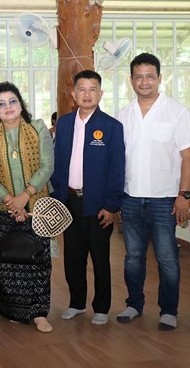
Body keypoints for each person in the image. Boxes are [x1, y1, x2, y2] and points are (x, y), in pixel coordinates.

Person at [116, 53, 190, 331]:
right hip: (130, 198)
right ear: (131, 80)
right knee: (133, 257)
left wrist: (184, 195)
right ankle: (134, 304)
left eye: (150, 76)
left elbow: (188, 157)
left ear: (160, 78)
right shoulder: (123, 115)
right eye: (139, 77)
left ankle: (169, 310)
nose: (144, 82)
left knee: (167, 258)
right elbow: (117, 160)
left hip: (165, 199)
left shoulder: (177, 112)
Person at [51, 70, 125, 325]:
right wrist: (57, 198)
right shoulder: (64, 124)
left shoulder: (112, 127)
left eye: (92, 89)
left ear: (100, 94)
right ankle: (76, 303)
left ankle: (102, 307)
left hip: (98, 204)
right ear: (74, 94)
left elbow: (117, 169)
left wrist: (111, 205)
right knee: (73, 256)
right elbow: (58, 163)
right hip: (69, 201)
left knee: (100, 258)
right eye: (81, 89)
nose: (87, 94)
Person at [0, 82, 55, 333]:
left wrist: (25, 196)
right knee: (8, 261)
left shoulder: (38, 128)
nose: (8, 107)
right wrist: (11, 202)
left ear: (21, 104)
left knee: (38, 260)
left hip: (37, 206)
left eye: (12, 101)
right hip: (4, 209)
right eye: (1, 104)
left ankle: (39, 313)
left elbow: (47, 166)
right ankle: (12, 310)